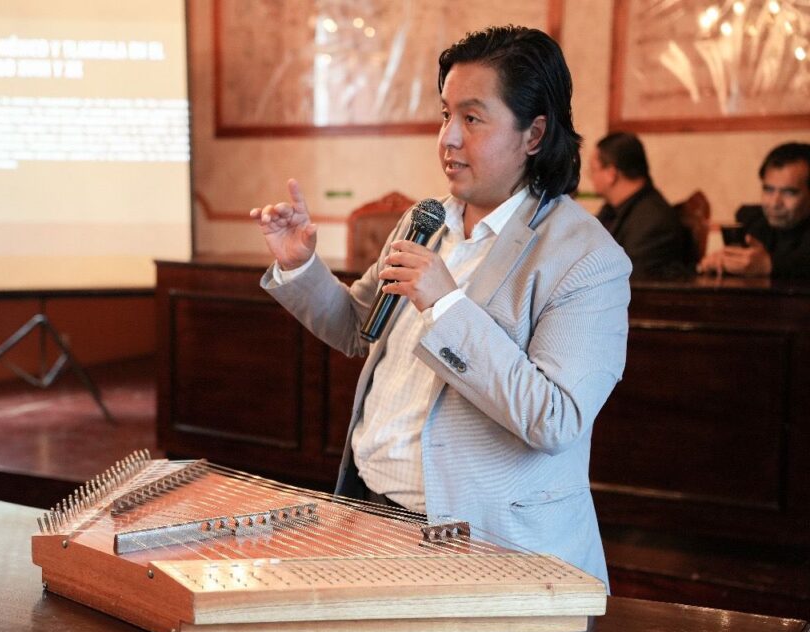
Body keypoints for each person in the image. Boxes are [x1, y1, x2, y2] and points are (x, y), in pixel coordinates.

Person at [250, 26, 631, 587]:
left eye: (472, 118)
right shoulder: (426, 220)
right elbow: (360, 328)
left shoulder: (586, 257)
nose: (448, 138)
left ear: (533, 133)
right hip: (369, 513)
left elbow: (555, 418)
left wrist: (447, 305)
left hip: (490, 548)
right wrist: (300, 266)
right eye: (445, 114)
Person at [588, 132, 694, 278]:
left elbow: (627, 278)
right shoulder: (612, 209)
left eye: (593, 169)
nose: (590, 176)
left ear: (611, 174)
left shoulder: (653, 222)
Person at [698, 142, 810, 278]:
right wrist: (722, 262)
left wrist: (769, 265)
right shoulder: (754, 222)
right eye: (768, 190)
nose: (775, 203)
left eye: (789, 192)